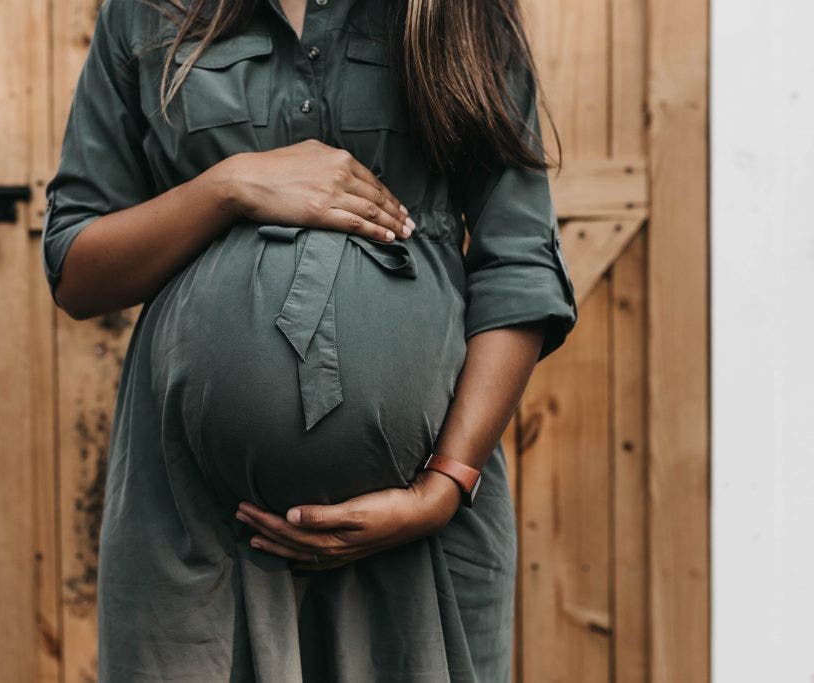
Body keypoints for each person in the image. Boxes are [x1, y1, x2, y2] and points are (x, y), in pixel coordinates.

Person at [42, 0, 578, 680]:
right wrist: (229, 186)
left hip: (421, 536)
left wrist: (444, 483)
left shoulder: (457, 10)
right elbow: (76, 267)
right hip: (195, 535)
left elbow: (520, 262)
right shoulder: (146, 11)